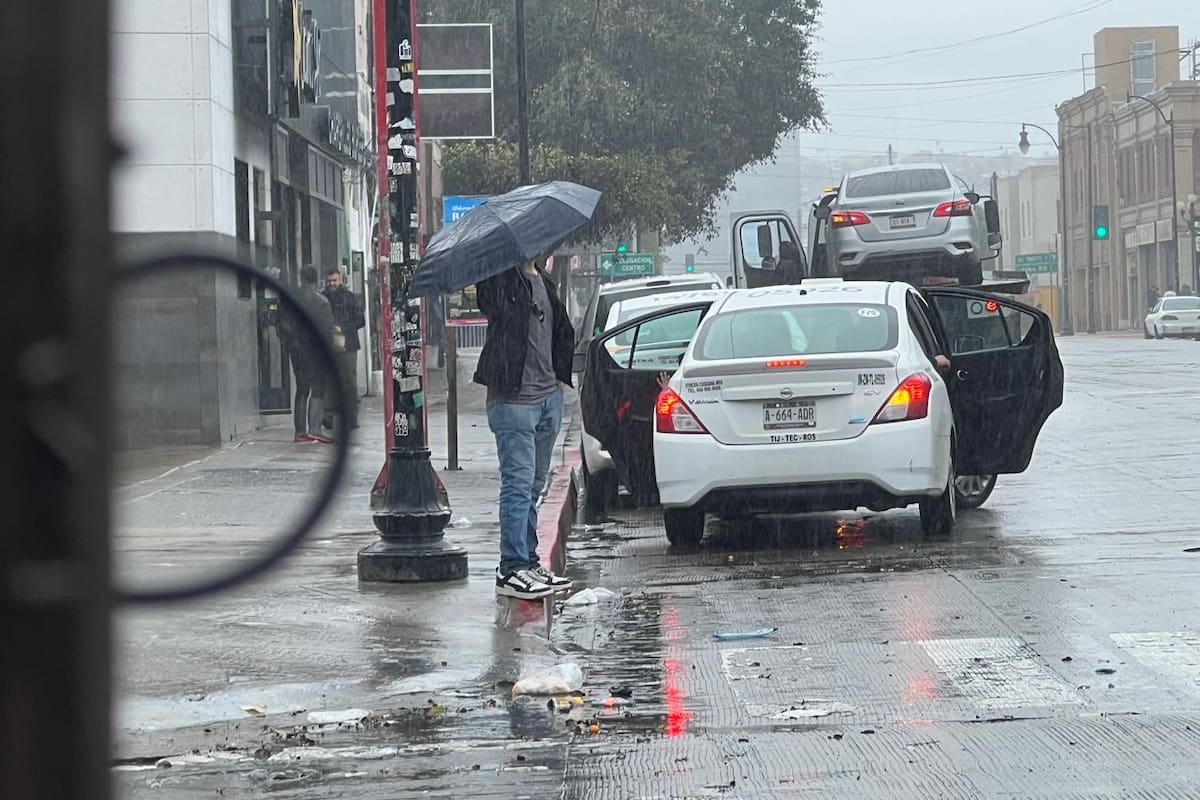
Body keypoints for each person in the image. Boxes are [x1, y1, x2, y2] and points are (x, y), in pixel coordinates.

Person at [475, 254, 576, 600]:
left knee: (533, 486)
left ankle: (529, 560)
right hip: (514, 401)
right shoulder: (501, 280)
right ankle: (512, 567)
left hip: (548, 397)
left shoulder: (544, 280)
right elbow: (489, 302)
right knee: (517, 486)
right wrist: (501, 264)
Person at [281, 266, 335, 443]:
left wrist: (292, 343)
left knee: (302, 389)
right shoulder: (322, 302)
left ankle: (300, 432)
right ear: (315, 279)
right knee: (318, 389)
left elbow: (282, 326)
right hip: (316, 351)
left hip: (297, 351)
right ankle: (315, 429)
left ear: (301, 278)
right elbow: (327, 329)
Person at [323, 267, 365, 432]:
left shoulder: (350, 298)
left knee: (349, 381)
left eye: (335, 280)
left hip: (348, 344)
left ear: (341, 280)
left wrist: (343, 328)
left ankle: (351, 416)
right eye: (330, 281)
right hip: (329, 344)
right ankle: (329, 415)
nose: (332, 284)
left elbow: (360, 320)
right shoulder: (324, 298)